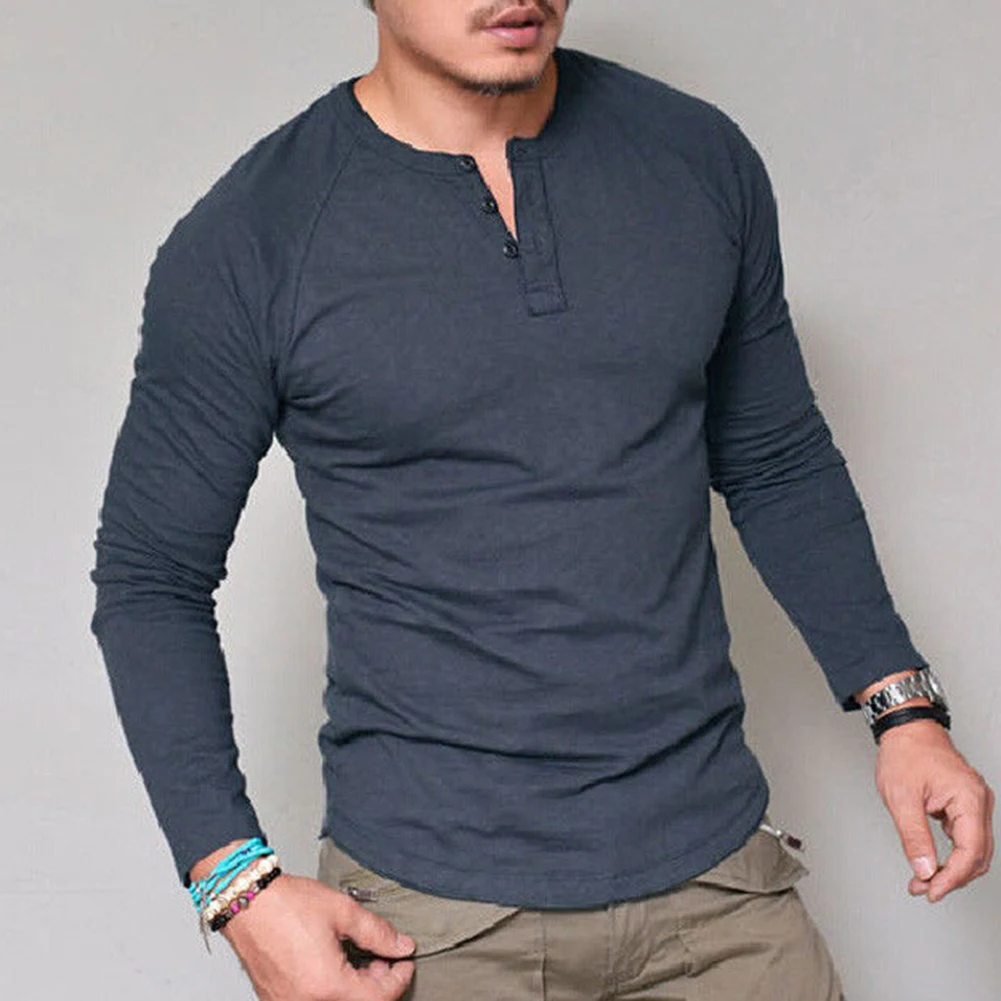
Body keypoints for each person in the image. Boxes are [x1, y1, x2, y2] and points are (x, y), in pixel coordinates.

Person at [89, 1, 994, 998]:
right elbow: (151, 576)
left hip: (720, 882)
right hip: (429, 919)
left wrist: (902, 710)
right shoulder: (251, 238)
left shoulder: (694, 159)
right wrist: (234, 885)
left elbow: (776, 459)